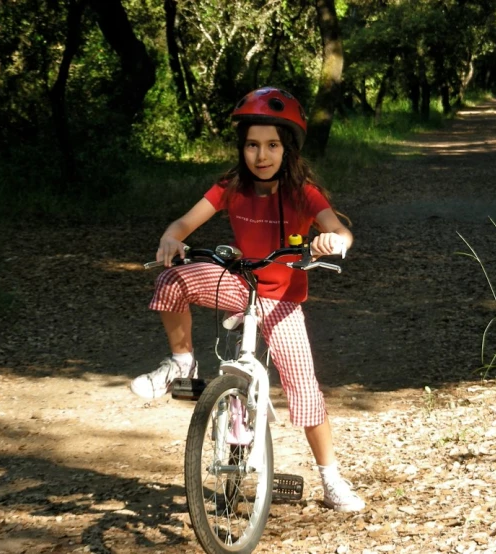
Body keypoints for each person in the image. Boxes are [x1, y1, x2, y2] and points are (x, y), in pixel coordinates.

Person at [129, 87, 365, 513]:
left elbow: (340, 230)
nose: (262, 155)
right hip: (238, 282)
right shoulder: (230, 187)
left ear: (286, 149)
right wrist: (171, 238)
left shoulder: (303, 193)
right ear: (242, 149)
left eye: (272, 145)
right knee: (171, 282)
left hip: (283, 300)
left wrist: (333, 239)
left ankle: (331, 479)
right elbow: (184, 223)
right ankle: (181, 363)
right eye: (253, 145)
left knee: (304, 390)